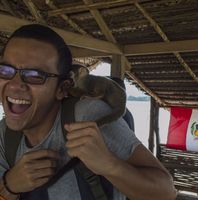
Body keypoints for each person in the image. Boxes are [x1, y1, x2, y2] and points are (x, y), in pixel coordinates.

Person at [0, 24, 176, 200]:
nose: (15, 85)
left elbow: (166, 192)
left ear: (63, 88)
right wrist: (9, 185)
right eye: (5, 70)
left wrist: (109, 165)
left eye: (35, 76)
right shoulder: (4, 134)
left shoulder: (88, 117)